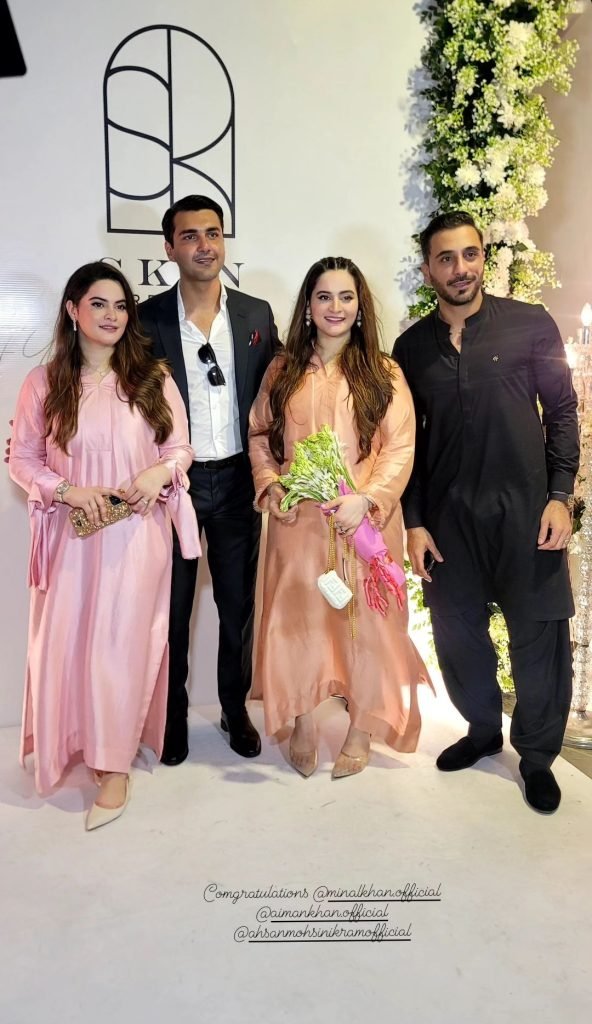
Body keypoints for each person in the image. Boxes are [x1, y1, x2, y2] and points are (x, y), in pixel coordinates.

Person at [393, 211, 579, 814]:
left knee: (539, 635)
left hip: (527, 512)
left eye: (469, 255)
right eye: (446, 258)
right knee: (457, 632)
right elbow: (406, 444)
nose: (460, 269)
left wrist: (560, 495)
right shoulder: (410, 349)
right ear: (428, 270)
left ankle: (537, 757)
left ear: (483, 258)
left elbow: (562, 412)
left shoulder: (530, 323)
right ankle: (480, 731)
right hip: (448, 520)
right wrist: (414, 521)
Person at [9, 262, 199, 829]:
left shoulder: (153, 378)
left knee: (121, 647)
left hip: (137, 536)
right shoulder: (44, 383)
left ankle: (114, 765)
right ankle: (75, 742)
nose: (112, 315)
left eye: (120, 305)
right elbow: (23, 460)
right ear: (73, 309)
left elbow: (180, 448)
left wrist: (159, 473)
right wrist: (67, 491)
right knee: (68, 645)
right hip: (70, 537)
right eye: (98, 304)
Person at [249, 256, 431, 778]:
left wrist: (368, 499)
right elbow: (260, 435)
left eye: (346, 297)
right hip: (299, 525)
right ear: (308, 306)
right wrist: (271, 483)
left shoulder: (383, 372)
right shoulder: (283, 370)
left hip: (366, 524)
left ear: (360, 306)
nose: (335, 307)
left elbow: (400, 446)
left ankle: (361, 729)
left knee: (369, 626)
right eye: (324, 297)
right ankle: (302, 719)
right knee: (298, 621)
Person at [138, 195, 280, 765]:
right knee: (171, 609)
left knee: (237, 607)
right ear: (169, 248)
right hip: (175, 486)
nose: (204, 245)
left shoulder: (256, 314)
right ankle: (170, 716)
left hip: (239, 482)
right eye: (190, 236)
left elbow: (281, 391)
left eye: (213, 233)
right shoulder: (145, 320)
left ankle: (234, 708)